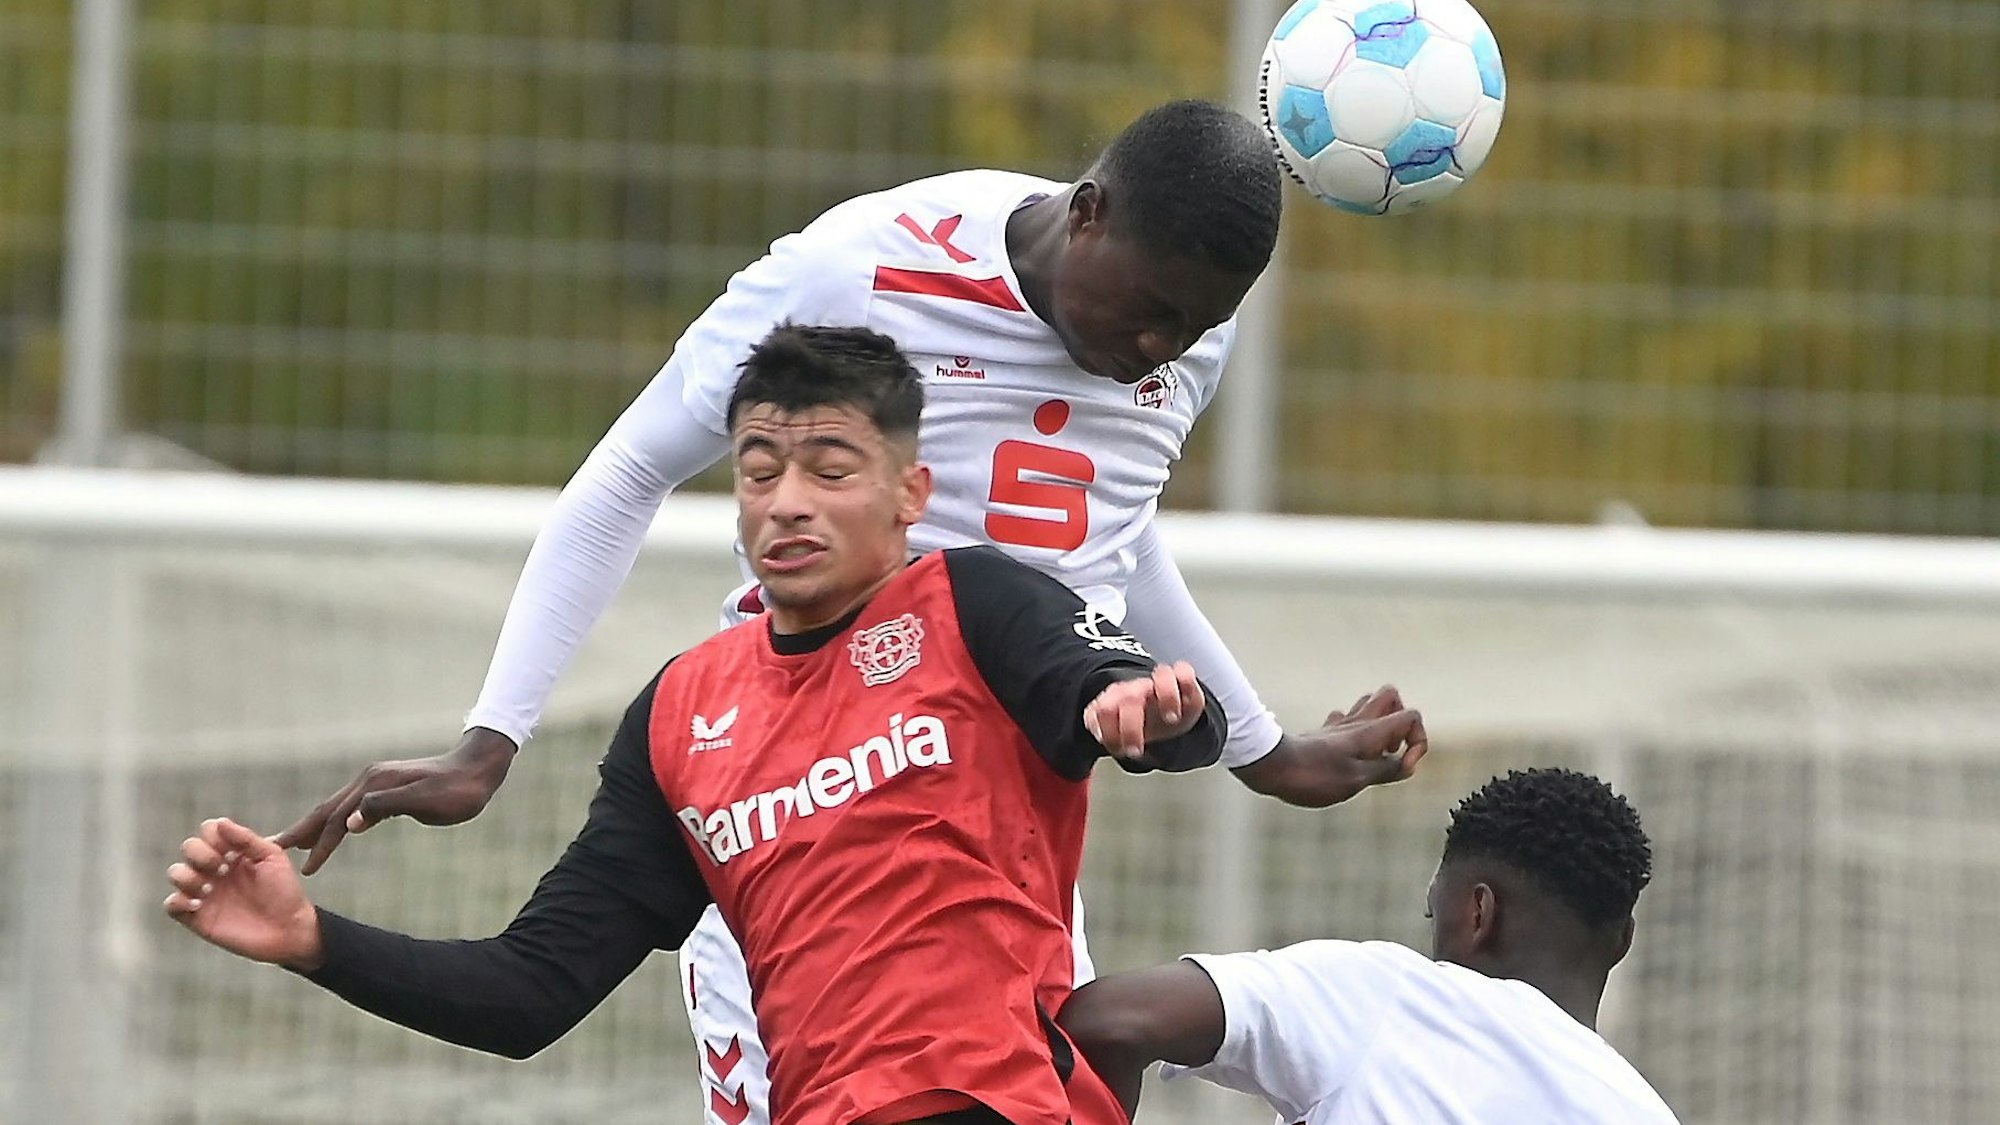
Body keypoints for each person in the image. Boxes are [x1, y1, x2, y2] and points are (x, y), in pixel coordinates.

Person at [276, 99, 1428, 1125]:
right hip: (785, 793)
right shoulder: (857, 267)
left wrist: (1253, 746)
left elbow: (1109, 539)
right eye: (1149, 313)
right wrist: (492, 739)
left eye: (1189, 327)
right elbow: (626, 475)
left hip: (998, 832)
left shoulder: (1184, 332)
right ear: (1088, 214)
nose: (1155, 350)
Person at [168, 324, 1230, 1125]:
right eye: (760, 472)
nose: (787, 502)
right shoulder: (682, 713)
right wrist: (311, 940)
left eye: (829, 469)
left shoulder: (977, 603)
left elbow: (1149, 703)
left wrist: (1136, 711)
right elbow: (528, 993)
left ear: (909, 492)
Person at [1057, 768, 1681, 1124]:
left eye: (1433, 909)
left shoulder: (1390, 996)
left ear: (1478, 912)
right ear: (1623, 941)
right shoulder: (1646, 1115)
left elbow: (1109, 1021)